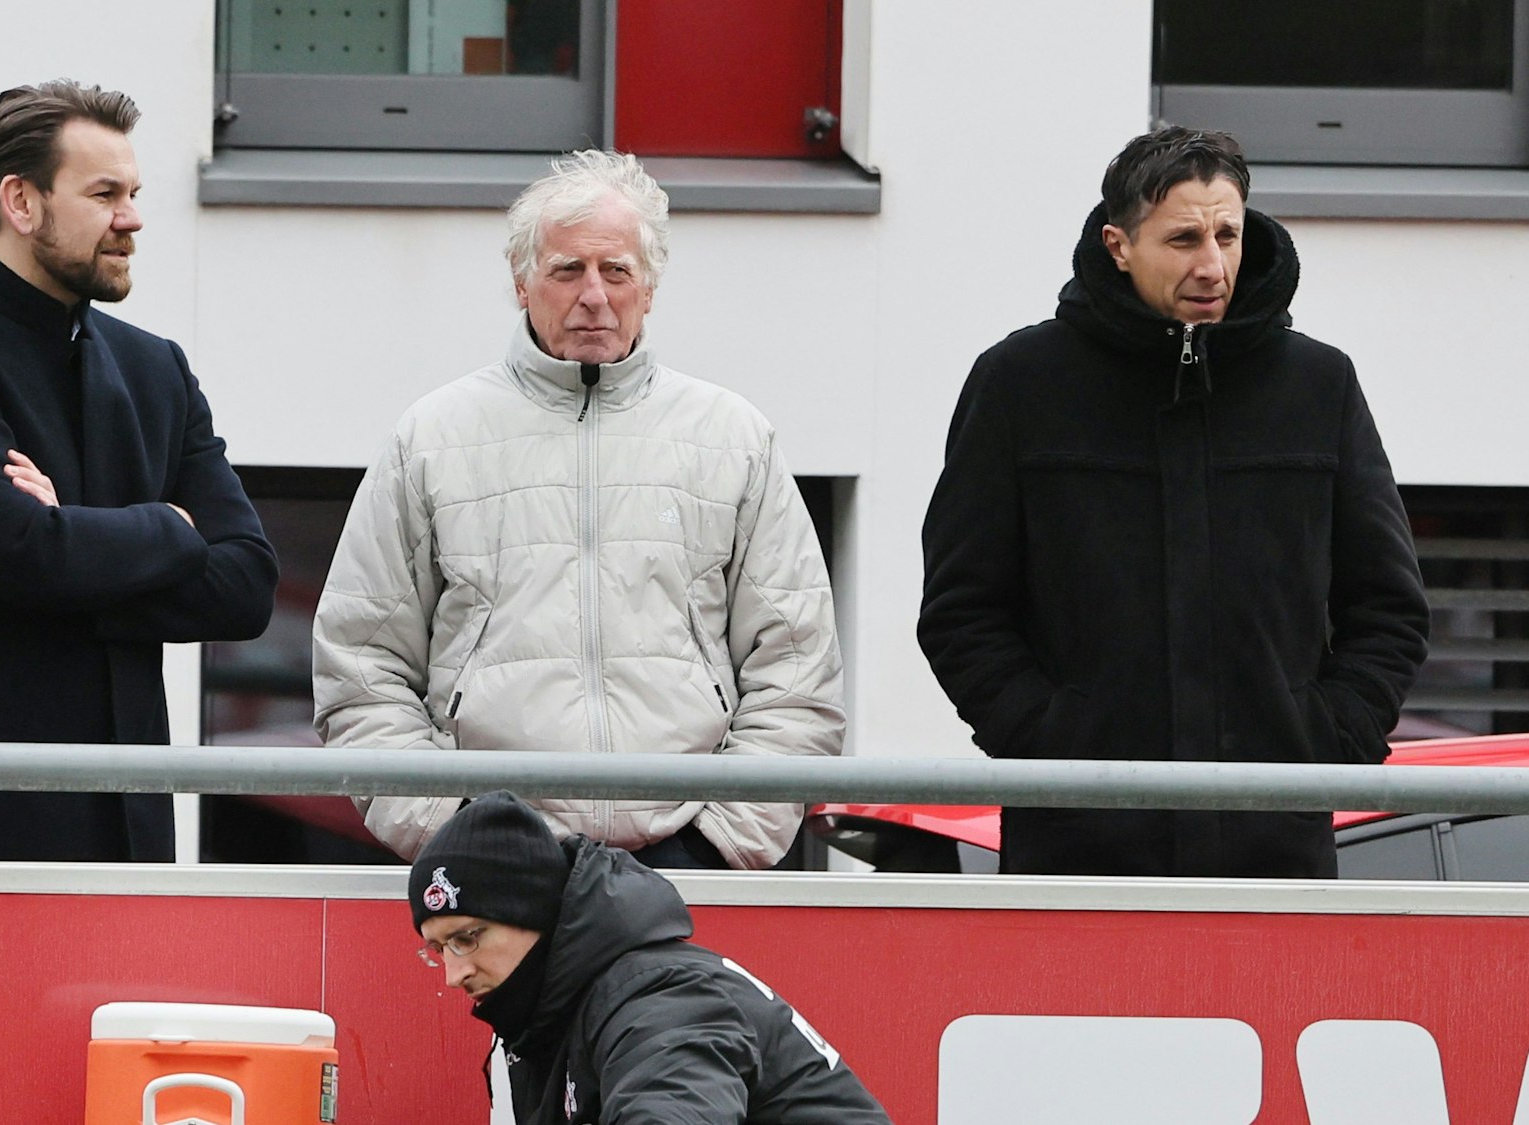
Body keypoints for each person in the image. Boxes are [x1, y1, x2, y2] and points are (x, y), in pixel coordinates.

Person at [918, 126, 1429, 878]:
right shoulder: (1020, 384)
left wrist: (1325, 741)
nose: (1213, 264)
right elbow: (962, 610)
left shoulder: (1319, 385)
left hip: (1276, 849)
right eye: (1184, 238)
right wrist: (1051, 743)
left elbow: (1390, 606)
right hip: (1078, 847)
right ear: (1118, 244)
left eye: (1228, 233)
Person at [312, 150, 843, 870]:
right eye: (568, 270)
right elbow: (361, 666)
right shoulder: (431, 439)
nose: (594, 294)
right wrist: (453, 834)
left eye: (616, 270)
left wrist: (721, 846)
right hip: (496, 872)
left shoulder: (734, 439)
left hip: (690, 865)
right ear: (522, 280)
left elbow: (798, 667)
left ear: (648, 287)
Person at [0, 81, 278, 861]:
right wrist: (170, 529)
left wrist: (67, 547)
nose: (134, 217)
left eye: (134, 192)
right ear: (21, 201)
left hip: (131, 837)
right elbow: (24, 554)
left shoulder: (157, 369)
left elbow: (248, 584)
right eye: (105, 193)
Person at [409, 791, 892, 1123]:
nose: (454, 973)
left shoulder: (659, 996)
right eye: (438, 950)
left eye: (468, 937)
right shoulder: (540, 1017)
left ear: (534, 914)